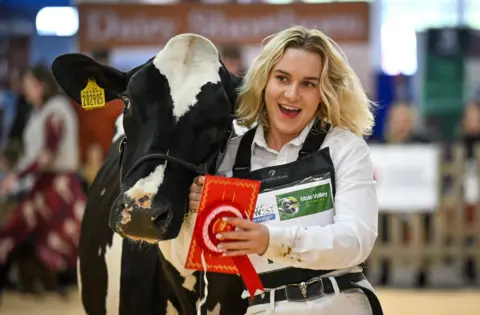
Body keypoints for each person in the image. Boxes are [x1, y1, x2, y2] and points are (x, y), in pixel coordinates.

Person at [189, 26, 383, 315]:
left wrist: (271, 240)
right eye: (282, 78)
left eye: (308, 84)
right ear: (264, 81)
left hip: (340, 302)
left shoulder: (345, 148)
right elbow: (215, 256)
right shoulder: (229, 156)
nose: (292, 94)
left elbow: (355, 241)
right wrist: (196, 209)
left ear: (324, 92)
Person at [0, 64, 86, 294]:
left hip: (57, 187)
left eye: (29, 85)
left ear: (42, 85)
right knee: (24, 231)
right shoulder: (43, 110)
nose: (25, 90)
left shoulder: (54, 111)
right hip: (50, 185)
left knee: (19, 229)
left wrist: (16, 176)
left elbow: (48, 153)